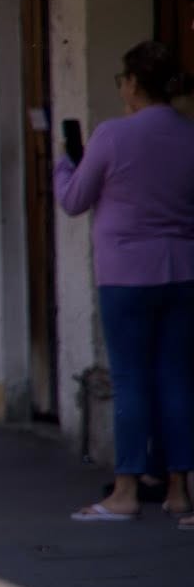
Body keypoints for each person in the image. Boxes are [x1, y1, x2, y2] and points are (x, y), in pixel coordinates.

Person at [56, 39, 194, 524]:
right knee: (177, 377)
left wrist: (64, 162)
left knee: (132, 379)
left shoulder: (113, 136)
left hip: (127, 276)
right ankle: (179, 491)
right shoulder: (189, 135)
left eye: (123, 81)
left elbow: (74, 200)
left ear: (133, 83)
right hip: (184, 271)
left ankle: (127, 490)